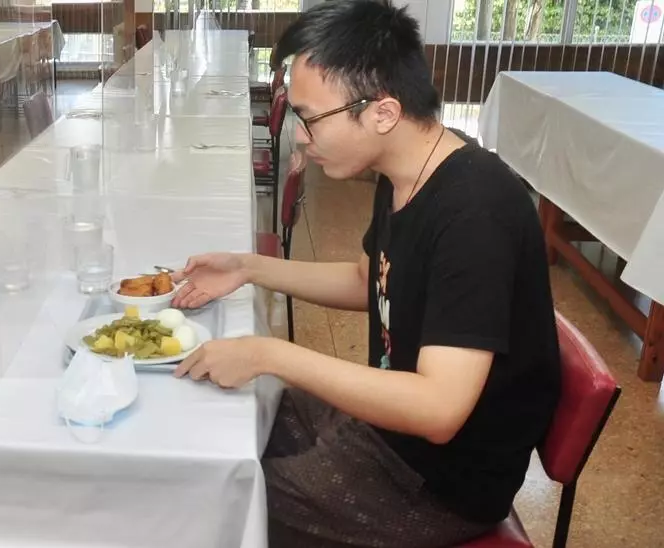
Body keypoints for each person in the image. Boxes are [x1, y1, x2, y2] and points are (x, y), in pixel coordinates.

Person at [170, 1, 561, 546]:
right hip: (389, 431)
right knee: (217, 423)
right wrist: (248, 267)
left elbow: (439, 409)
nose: (299, 136)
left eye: (309, 117)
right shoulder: (405, 171)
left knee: (213, 496)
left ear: (382, 112)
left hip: (439, 481)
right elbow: (366, 281)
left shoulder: (476, 212)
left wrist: (268, 354)